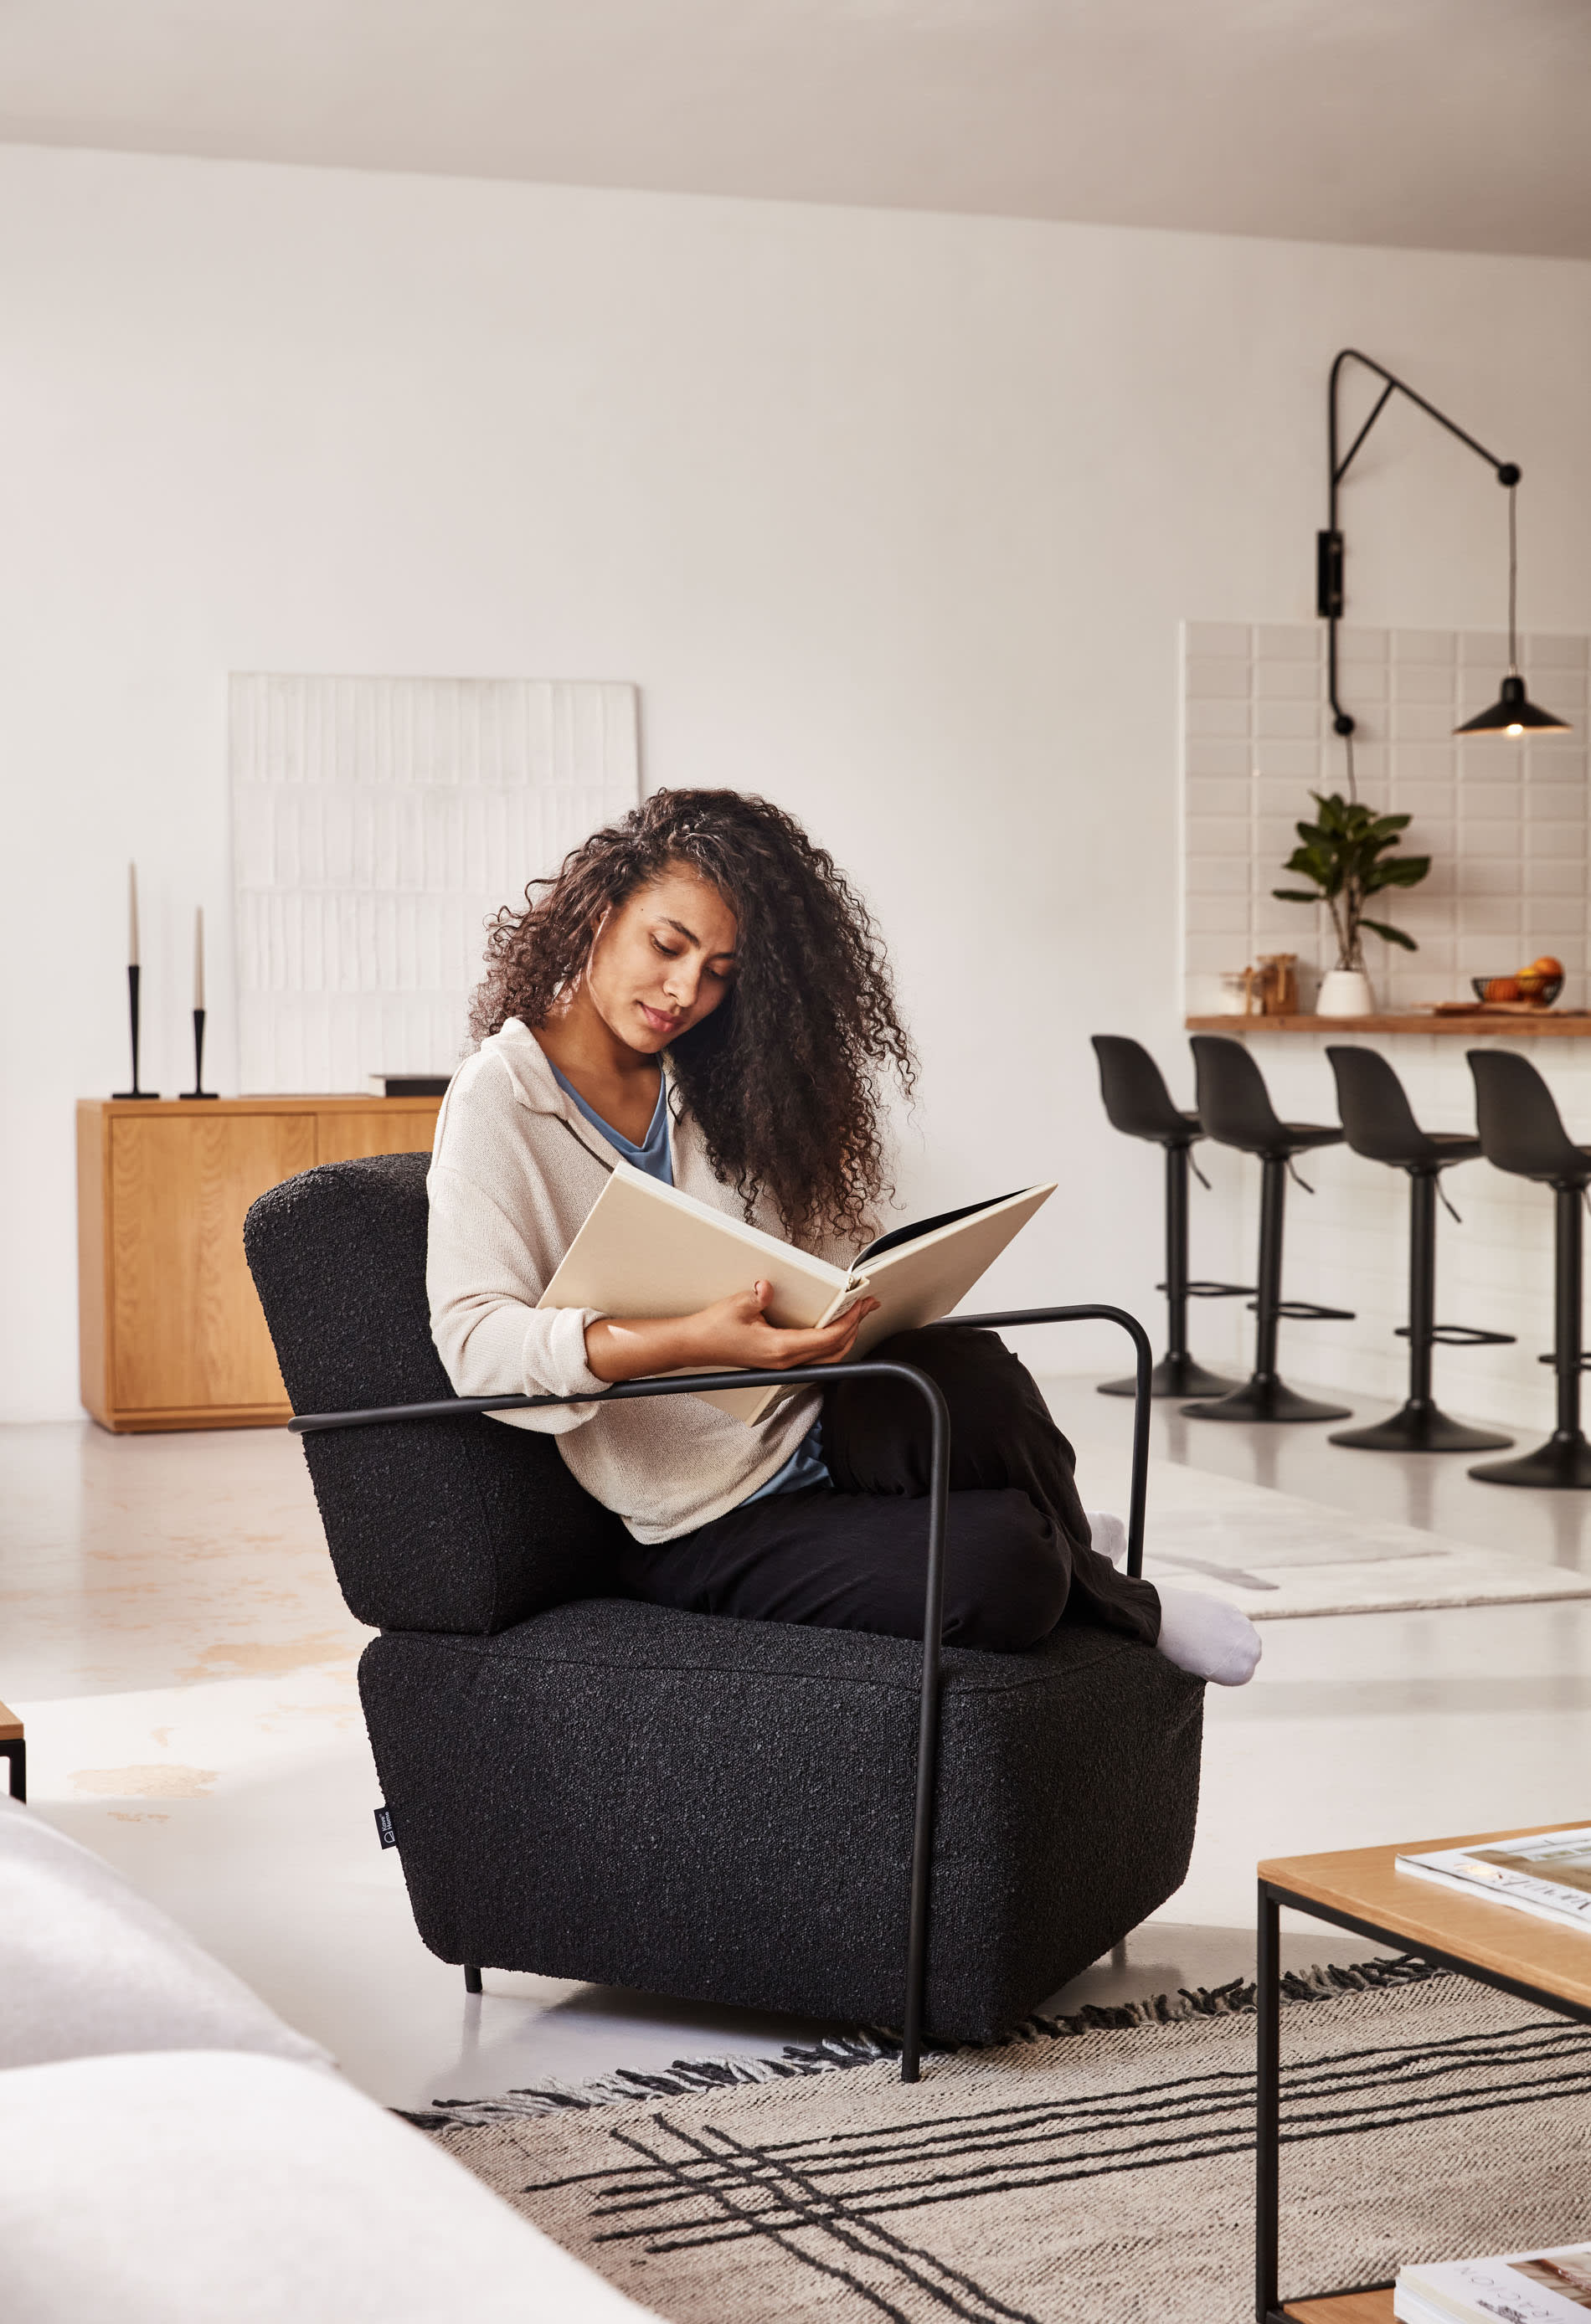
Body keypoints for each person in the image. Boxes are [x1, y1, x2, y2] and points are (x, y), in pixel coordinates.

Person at [426, 789, 1259, 1686]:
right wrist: (688, 1341)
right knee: (1004, 1564)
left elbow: (814, 1251)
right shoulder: (501, 1098)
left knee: (972, 1371)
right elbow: (475, 1344)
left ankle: (1079, 1561)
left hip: (818, 1415)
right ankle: (1099, 1578)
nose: (686, 992)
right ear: (599, 913)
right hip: (699, 1515)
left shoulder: (706, 1080)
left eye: (720, 971)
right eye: (667, 946)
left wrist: (868, 1292)